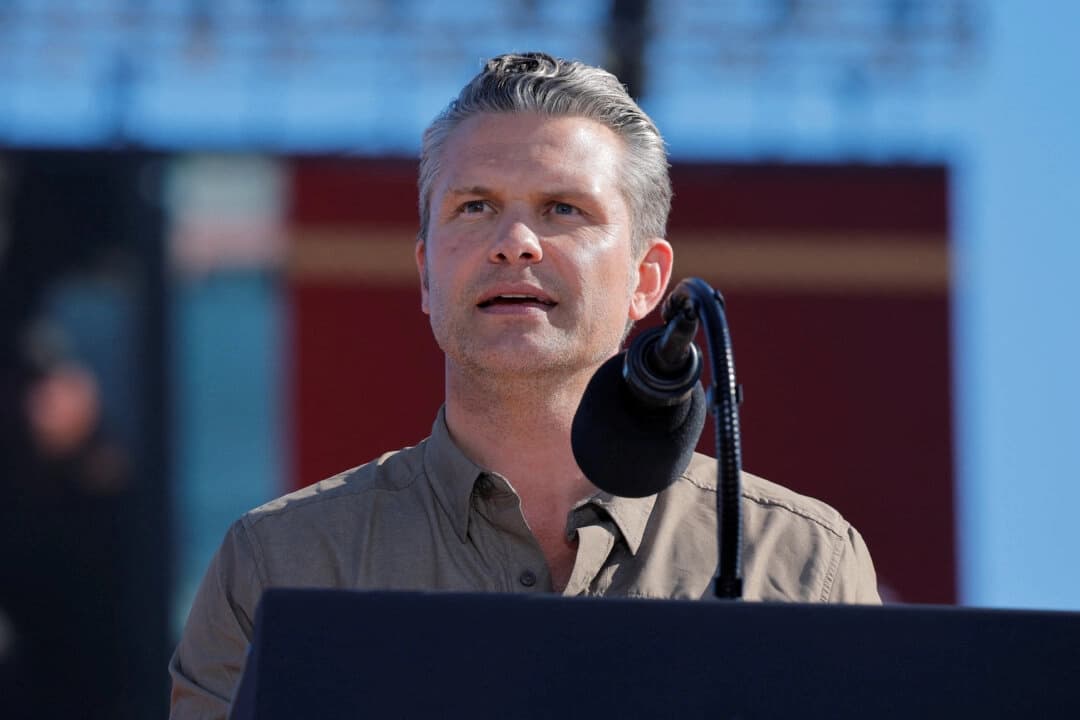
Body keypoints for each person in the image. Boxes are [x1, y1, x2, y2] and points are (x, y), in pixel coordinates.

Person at [169, 52, 880, 718]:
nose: (515, 242)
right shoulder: (281, 564)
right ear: (426, 274)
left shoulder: (801, 563)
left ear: (647, 280)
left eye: (563, 208)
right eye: (475, 207)